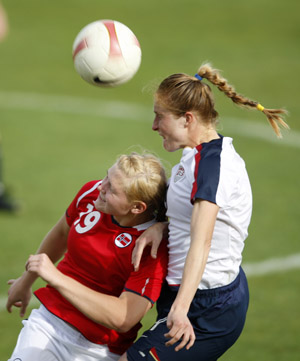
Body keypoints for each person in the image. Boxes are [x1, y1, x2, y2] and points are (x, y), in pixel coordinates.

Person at [120, 64, 289, 361]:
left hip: (206, 310)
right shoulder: (196, 155)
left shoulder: (213, 166)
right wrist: (163, 227)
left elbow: (203, 240)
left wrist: (181, 309)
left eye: (160, 116)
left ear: (187, 119)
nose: (154, 125)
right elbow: (188, 217)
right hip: (190, 296)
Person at [6, 152, 169, 361]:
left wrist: (57, 278)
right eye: (106, 178)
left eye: (112, 189)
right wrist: (25, 280)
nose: (101, 187)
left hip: (99, 350)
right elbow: (62, 233)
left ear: (137, 207)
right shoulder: (91, 193)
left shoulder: (153, 248)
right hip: (48, 323)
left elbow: (123, 317)